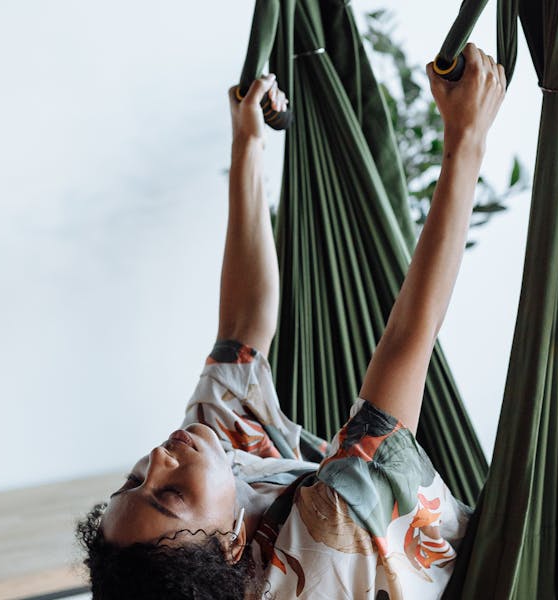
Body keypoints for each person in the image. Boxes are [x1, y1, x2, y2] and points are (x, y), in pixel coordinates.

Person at [77, 42, 506, 599]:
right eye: (169, 494)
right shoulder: (327, 539)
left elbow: (241, 329)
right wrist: (467, 139)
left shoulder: (209, 502)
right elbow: (409, 339)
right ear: (234, 546)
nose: (158, 461)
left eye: (133, 481)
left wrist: (247, 142)